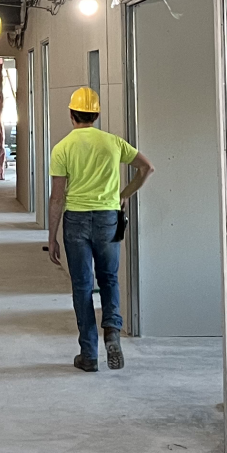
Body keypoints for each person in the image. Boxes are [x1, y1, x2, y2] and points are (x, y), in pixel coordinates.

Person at [47, 87, 155, 372]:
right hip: (109, 218)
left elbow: (57, 197)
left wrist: (52, 236)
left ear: (72, 115)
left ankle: (89, 354)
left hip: (76, 221)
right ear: (96, 115)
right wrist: (124, 194)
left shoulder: (62, 148)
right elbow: (147, 168)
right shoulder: (113, 142)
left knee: (82, 286)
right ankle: (112, 333)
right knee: (108, 279)